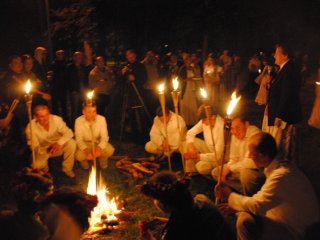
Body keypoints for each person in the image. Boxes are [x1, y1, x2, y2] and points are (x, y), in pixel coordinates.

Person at [215, 132, 319, 240]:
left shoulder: (281, 175)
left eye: (252, 153)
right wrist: (238, 207)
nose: (249, 156)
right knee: (244, 217)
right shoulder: (279, 168)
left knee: (244, 220)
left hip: (295, 230)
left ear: (263, 156)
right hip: (283, 219)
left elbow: (257, 205)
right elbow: (264, 202)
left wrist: (229, 195)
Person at [139, 171, 236, 240]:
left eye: (156, 199)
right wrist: (168, 222)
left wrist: (148, 237)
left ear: (164, 205)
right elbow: (195, 222)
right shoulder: (202, 199)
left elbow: (185, 227)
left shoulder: (173, 233)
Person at [266, 43, 302, 161]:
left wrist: (279, 116)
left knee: (286, 143)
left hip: (286, 116)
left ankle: (288, 166)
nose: (274, 56)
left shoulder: (289, 70)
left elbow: (287, 95)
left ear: (285, 55)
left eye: (277, 53)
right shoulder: (284, 69)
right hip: (282, 113)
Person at [212, 116, 264, 196]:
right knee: (217, 172)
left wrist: (230, 168)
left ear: (246, 124)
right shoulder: (234, 135)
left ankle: (252, 196)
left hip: (255, 170)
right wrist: (227, 168)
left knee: (245, 174)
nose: (235, 131)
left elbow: (251, 162)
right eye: (232, 128)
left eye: (238, 127)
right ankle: (243, 191)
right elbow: (233, 158)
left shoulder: (254, 133)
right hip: (239, 168)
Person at [25, 104, 76, 178]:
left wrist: (58, 143)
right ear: (35, 117)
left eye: (47, 115)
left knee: (71, 143)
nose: (46, 118)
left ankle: (67, 169)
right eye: (42, 116)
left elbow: (69, 132)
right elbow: (34, 147)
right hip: (43, 150)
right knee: (35, 165)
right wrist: (45, 150)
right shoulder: (30, 127)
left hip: (58, 146)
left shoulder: (56, 119)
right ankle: (46, 172)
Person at [184, 105, 224, 175]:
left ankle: (217, 171)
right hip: (209, 149)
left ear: (213, 117)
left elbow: (217, 156)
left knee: (201, 167)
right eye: (201, 120)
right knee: (188, 143)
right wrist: (191, 147)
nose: (202, 122)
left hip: (220, 157)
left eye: (204, 120)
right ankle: (190, 172)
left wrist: (198, 156)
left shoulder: (221, 127)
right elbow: (190, 133)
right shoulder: (205, 120)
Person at [75, 102, 115, 169]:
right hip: (86, 143)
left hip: (97, 142)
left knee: (110, 150)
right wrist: (87, 151)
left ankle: (103, 161)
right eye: (89, 112)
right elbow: (79, 140)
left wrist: (98, 149)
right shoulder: (78, 121)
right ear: (83, 112)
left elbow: (104, 137)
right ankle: (84, 162)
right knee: (79, 156)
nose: (92, 114)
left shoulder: (102, 119)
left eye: (94, 111)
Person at [178, 52, 202, 127]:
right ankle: (186, 121)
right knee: (186, 104)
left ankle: (193, 120)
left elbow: (197, 76)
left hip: (192, 88)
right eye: (187, 60)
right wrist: (188, 79)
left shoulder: (193, 68)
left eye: (189, 60)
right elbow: (180, 79)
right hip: (186, 89)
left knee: (193, 104)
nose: (189, 62)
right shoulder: (182, 69)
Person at [49, 50, 69, 124]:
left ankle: (66, 121)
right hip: (55, 87)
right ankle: (55, 121)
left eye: (61, 54)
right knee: (55, 105)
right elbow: (50, 75)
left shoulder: (65, 64)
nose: (60, 56)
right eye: (59, 54)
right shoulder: (53, 64)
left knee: (64, 105)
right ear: (56, 56)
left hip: (63, 87)